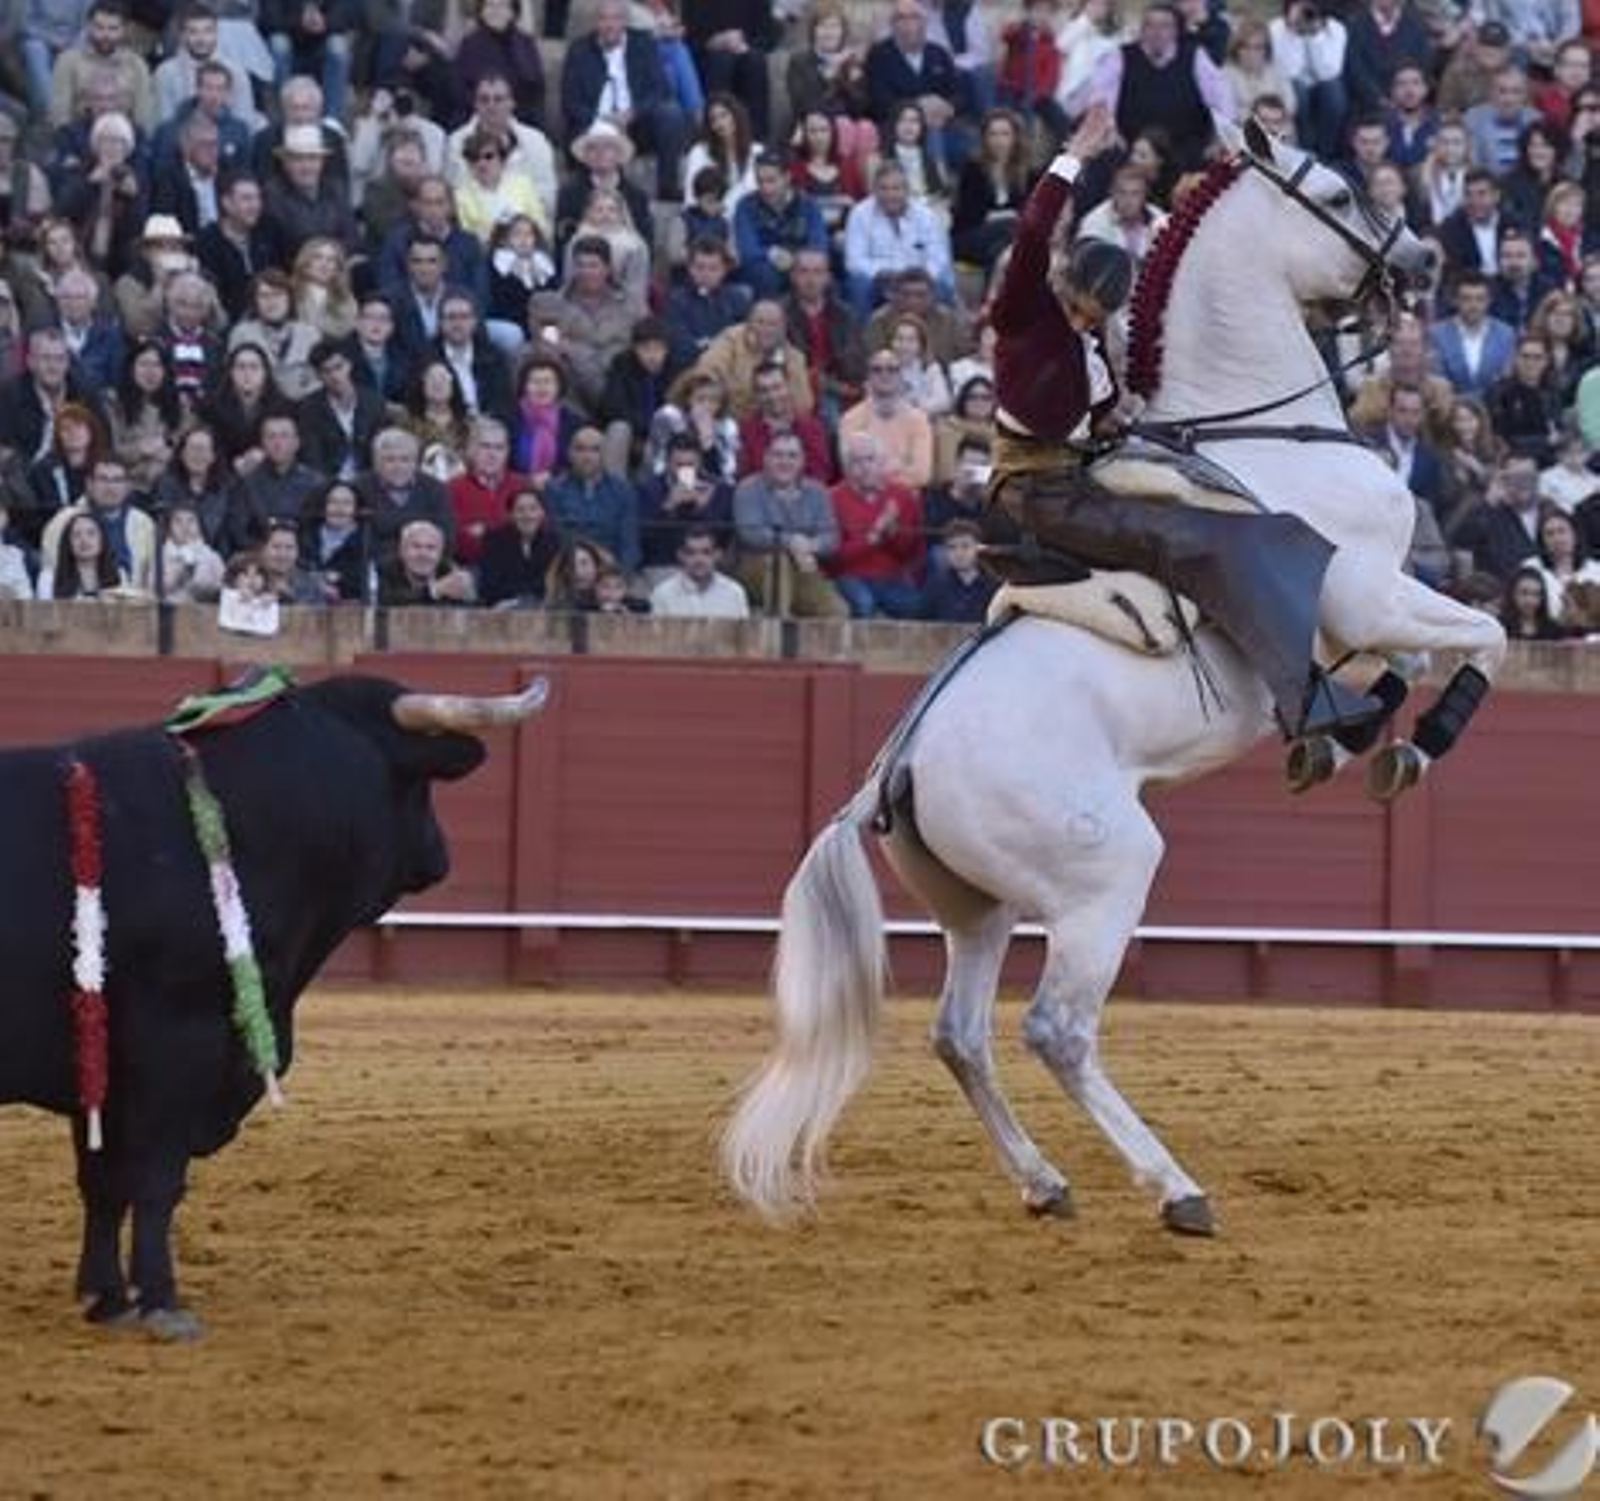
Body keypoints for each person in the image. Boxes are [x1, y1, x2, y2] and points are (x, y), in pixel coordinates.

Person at [982, 104, 1382, 744]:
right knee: (1207, 542)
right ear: (1060, 285)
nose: (1086, 324)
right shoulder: (1024, 315)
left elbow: (1094, 420)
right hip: (1040, 496)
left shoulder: (1088, 345)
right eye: (1081, 309)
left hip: (1079, 479)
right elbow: (1031, 232)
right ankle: (1302, 698)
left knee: (1233, 507)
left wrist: (1127, 422)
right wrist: (1073, 156)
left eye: (1098, 316)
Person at [732, 431, 846, 618]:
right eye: (778, 455)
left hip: (803, 566)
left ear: (802, 461)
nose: (785, 462)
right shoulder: (748, 488)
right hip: (755, 566)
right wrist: (792, 542)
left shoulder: (817, 491)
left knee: (837, 611)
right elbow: (751, 533)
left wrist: (810, 546)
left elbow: (832, 538)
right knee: (780, 563)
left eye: (792, 456)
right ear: (766, 458)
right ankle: (780, 633)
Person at [827, 430, 925, 619]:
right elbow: (834, 559)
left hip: (892, 577)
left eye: (870, 459)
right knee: (864, 604)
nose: (864, 467)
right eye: (857, 461)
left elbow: (913, 553)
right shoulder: (832, 499)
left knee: (916, 609)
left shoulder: (902, 497)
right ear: (846, 466)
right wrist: (874, 535)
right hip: (850, 576)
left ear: (881, 463)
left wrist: (893, 534)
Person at [479, 484, 561, 607]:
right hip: (503, 606)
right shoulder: (493, 541)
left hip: (543, 605)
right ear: (511, 515)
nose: (527, 515)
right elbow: (489, 584)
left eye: (533, 509)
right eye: (520, 510)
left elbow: (554, 581)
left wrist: (526, 597)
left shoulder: (555, 542)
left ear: (542, 513)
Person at [649, 524, 749, 619]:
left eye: (706, 552)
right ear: (681, 555)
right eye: (691, 553)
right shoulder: (662, 594)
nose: (699, 560)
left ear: (717, 555)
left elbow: (744, 634)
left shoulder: (735, 593)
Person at [377, 515, 477, 605]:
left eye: (431, 548)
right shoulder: (386, 569)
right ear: (402, 550)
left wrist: (468, 595)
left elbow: (474, 611)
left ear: (440, 553)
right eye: (416, 546)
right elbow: (389, 600)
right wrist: (435, 590)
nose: (423, 554)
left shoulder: (448, 570)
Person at [921, 518, 997, 622]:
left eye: (965, 546)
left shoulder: (994, 586)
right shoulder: (936, 585)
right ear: (945, 551)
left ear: (978, 548)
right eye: (952, 547)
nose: (959, 553)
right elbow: (923, 623)